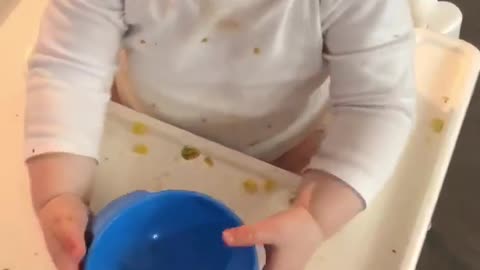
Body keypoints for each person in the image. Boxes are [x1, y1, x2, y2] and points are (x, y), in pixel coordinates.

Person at [26, 0, 416, 269]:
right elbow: (68, 70)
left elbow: (376, 104)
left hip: (286, 140)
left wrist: (316, 218)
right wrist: (58, 193)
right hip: (146, 117)